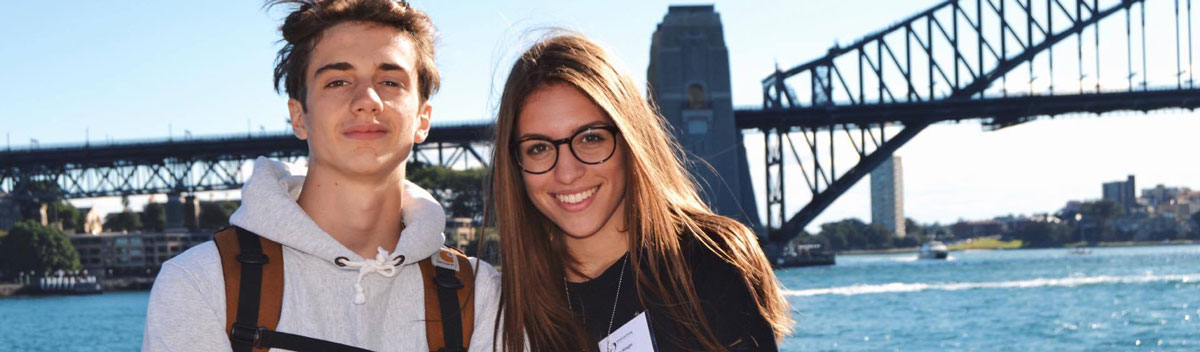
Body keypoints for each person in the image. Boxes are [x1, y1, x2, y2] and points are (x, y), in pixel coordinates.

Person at [142, 1, 499, 351]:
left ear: (423, 118)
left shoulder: (480, 295)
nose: (367, 99)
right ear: (299, 117)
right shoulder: (201, 283)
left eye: (390, 81)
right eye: (338, 81)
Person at [488, 32, 793, 352]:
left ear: (631, 139)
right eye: (538, 148)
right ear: (515, 164)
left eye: (590, 138)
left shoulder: (711, 260)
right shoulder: (502, 308)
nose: (567, 172)